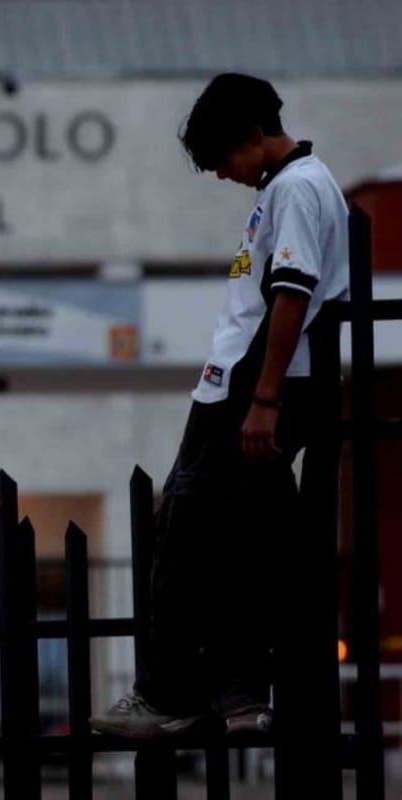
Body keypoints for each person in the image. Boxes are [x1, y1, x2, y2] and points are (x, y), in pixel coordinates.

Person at [90, 73, 349, 737]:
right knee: (238, 541)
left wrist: (261, 400)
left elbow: (291, 294)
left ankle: (169, 695)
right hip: (243, 386)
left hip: (251, 388)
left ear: (253, 136)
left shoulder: (295, 188)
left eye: (223, 158)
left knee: (184, 535)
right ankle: (240, 698)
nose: (221, 174)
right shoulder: (292, 186)